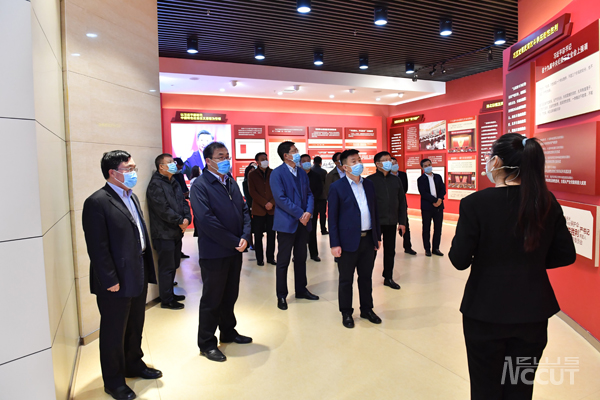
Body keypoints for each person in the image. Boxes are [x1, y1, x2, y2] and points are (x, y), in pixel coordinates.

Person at [448, 134, 576, 400]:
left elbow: (459, 260)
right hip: (533, 311)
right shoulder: (546, 201)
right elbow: (565, 255)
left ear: (496, 161)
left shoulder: (475, 203)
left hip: (484, 311)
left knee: (485, 387)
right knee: (520, 386)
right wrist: (532, 263)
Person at [82, 150, 161, 400]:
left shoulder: (131, 196)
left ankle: (133, 364)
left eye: (134, 168)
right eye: (129, 169)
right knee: (113, 332)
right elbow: (97, 247)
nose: (133, 173)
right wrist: (110, 280)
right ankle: (114, 381)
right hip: (115, 280)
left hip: (137, 272)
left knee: (135, 324)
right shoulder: (97, 202)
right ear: (112, 173)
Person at [189, 142, 253, 362]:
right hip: (215, 251)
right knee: (212, 298)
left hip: (235, 249)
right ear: (208, 161)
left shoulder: (230, 181)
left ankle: (228, 331)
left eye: (227, 156)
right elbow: (206, 220)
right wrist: (234, 241)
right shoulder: (200, 185)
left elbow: (244, 209)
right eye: (220, 157)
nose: (226, 160)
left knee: (230, 294)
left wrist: (245, 236)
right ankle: (207, 343)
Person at [328, 149, 382, 328]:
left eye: (359, 160)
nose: (359, 164)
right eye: (354, 161)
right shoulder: (337, 187)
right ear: (345, 167)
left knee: (366, 277)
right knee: (346, 279)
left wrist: (377, 237)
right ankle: (346, 312)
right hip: (347, 241)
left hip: (368, 239)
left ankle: (367, 309)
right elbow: (332, 218)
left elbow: (374, 211)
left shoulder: (369, 185)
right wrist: (335, 243)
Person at [270, 141, 319, 310]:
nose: (297, 153)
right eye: (294, 150)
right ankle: (281, 295)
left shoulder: (302, 173)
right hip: (287, 223)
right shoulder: (277, 173)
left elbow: (309, 194)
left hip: (303, 223)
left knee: (301, 258)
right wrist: (300, 214)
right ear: (286, 155)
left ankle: (301, 289)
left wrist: (308, 212)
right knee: (283, 261)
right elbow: (280, 199)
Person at [146, 153, 192, 310]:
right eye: (170, 162)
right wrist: (180, 221)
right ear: (161, 167)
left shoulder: (174, 181)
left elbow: (183, 202)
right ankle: (166, 299)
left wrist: (187, 218)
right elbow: (162, 209)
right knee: (166, 267)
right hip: (163, 233)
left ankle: (170, 293)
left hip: (176, 232)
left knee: (173, 265)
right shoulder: (156, 185)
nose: (174, 164)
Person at [367, 151, 407, 290]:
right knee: (372, 251)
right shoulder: (369, 181)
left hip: (391, 222)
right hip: (375, 223)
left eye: (390, 160)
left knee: (390, 251)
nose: (389, 162)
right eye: (385, 160)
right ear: (377, 164)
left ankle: (388, 277)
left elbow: (402, 202)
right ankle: (366, 277)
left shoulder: (396, 180)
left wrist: (402, 222)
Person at [247, 152, 276, 266]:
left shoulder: (273, 173)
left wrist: (272, 203)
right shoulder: (252, 175)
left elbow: (278, 190)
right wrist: (265, 203)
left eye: (266, 158)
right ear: (258, 162)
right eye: (262, 159)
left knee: (272, 235)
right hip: (258, 209)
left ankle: (270, 258)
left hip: (272, 209)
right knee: (258, 235)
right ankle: (259, 259)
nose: (265, 161)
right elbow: (252, 192)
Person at [417, 158, 446, 257]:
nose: (428, 167)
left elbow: (442, 189)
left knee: (438, 228)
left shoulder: (438, 177)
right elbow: (423, 193)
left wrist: (440, 199)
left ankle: (436, 248)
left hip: (439, 206)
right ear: (422, 168)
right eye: (425, 166)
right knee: (426, 228)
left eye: (429, 165)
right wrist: (434, 201)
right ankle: (427, 249)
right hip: (427, 207)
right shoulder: (420, 179)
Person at [301, 154, 324, 262]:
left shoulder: (316, 175)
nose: (306, 162)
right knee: (299, 233)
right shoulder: (298, 175)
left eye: (308, 160)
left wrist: (310, 202)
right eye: (303, 161)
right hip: (299, 208)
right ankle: (298, 254)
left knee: (312, 230)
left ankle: (314, 254)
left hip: (312, 207)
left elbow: (319, 190)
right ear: (300, 163)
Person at [391, 157, 416, 255]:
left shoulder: (402, 175)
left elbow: (405, 189)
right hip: (390, 205)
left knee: (406, 225)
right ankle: (391, 249)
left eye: (395, 163)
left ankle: (408, 247)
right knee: (391, 228)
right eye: (392, 163)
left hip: (401, 204)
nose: (394, 165)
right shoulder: (387, 176)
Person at [172, 157, 191, 259]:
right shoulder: (170, 177)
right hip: (173, 207)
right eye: (178, 167)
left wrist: (186, 193)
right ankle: (175, 253)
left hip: (181, 204)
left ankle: (179, 252)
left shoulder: (179, 175)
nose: (179, 169)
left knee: (181, 234)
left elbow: (184, 187)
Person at [311, 156, 328, 234]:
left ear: (313, 162)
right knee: (322, 214)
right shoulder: (324, 172)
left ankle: (312, 231)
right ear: (321, 163)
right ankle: (323, 230)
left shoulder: (311, 171)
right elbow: (326, 184)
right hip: (322, 196)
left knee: (313, 215)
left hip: (313, 196)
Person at [242, 162, 257, 251]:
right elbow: (248, 196)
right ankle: (250, 243)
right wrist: (251, 206)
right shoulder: (245, 182)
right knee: (250, 226)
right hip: (250, 206)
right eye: (250, 171)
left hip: (258, 206)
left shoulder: (257, 182)